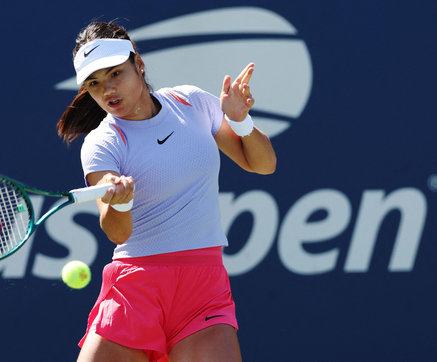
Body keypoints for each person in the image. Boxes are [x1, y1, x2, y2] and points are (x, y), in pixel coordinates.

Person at [57, 21, 276, 362]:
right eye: (95, 83)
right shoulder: (101, 144)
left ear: (138, 64)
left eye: (116, 74)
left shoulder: (191, 102)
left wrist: (240, 121)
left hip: (203, 287)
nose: (108, 90)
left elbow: (262, 164)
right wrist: (121, 204)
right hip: (136, 288)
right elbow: (117, 232)